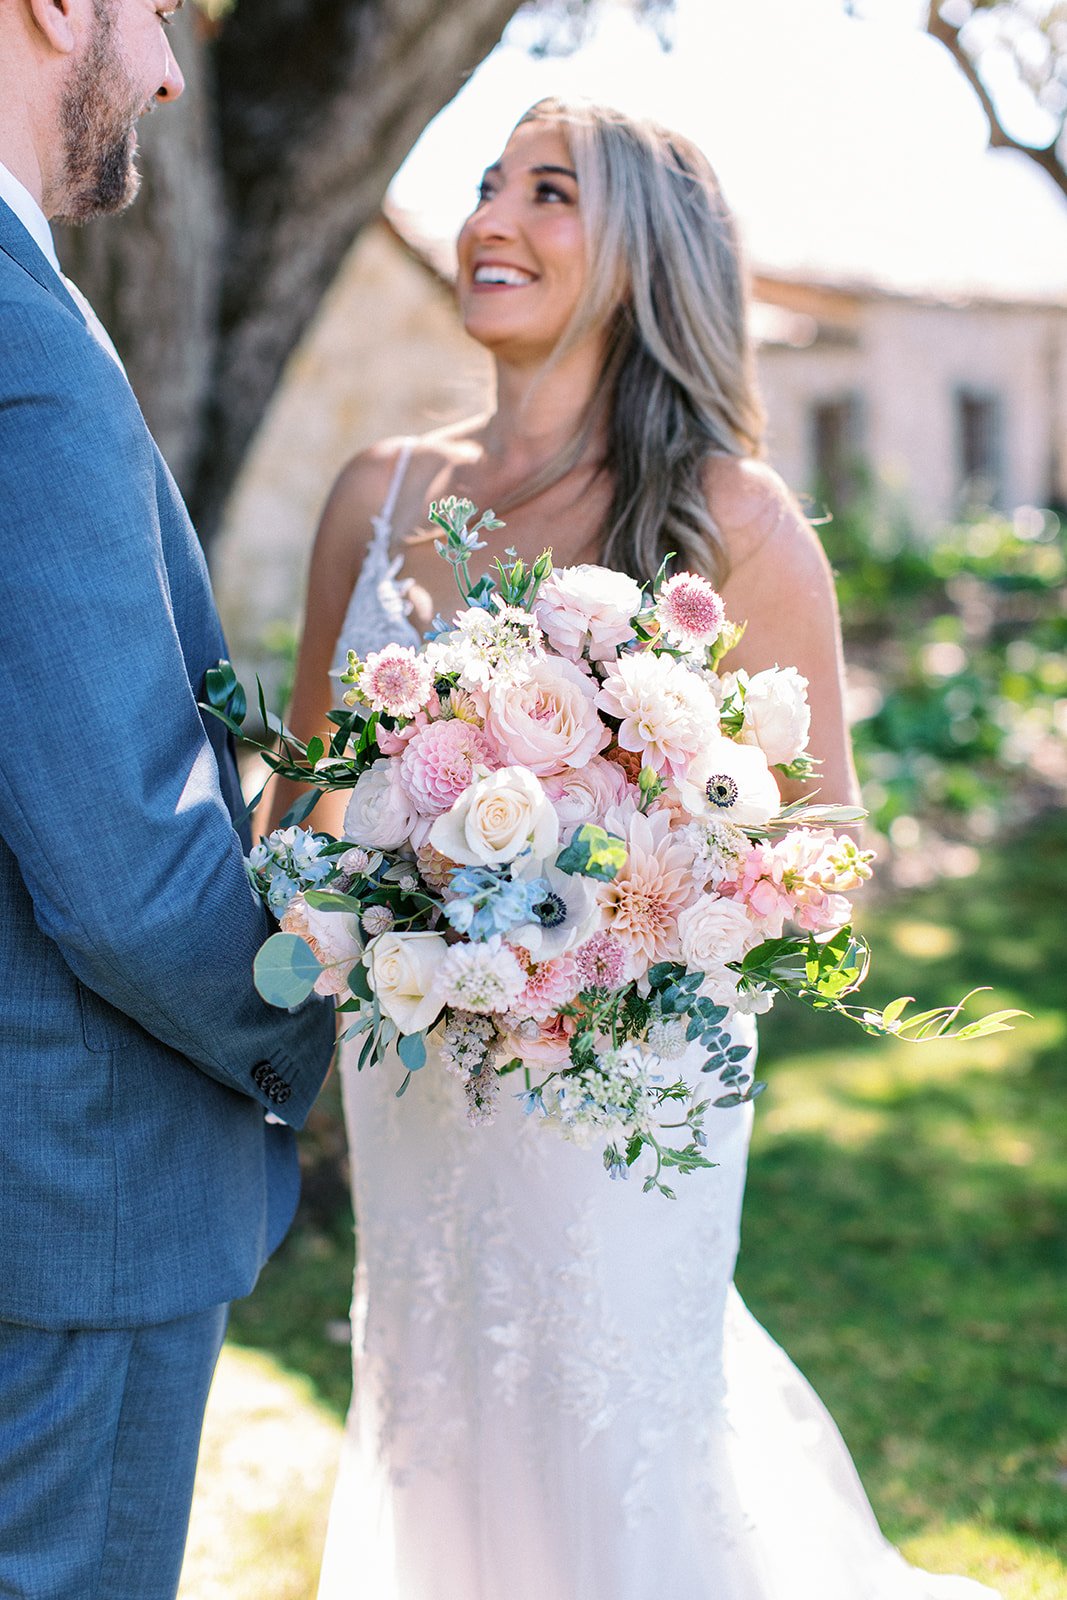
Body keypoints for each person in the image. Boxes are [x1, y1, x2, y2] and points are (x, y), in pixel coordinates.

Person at [274, 99, 999, 1600]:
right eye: (486, 185)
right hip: (418, 1064)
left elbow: (826, 840)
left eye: (549, 193)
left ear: (643, 256)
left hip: (626, 1087)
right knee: (439, 1418)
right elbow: (303, 811)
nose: (491, 219)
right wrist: (385, 905)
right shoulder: (383, 496)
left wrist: (625, 898)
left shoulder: (734, 520)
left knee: (615, 1452)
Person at [0, 3, 336, 1597]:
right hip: (66, 1205)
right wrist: (309, 1032)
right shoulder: (23, 346)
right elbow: (129, 864)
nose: (169, 72)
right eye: (151, 11)